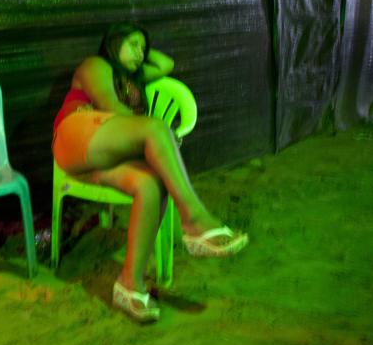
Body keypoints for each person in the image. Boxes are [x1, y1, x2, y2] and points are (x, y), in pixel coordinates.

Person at [52, 23, 248, 322]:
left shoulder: (135, 77)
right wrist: (154, 136)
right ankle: (195, 219)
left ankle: (130, 285)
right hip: (75, 135)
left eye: (143, 47)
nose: (140, 52)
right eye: (132, 44)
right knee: (157, 128)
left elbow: (166, 64)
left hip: (101, 157)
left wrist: (138, 53)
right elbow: (110, 106)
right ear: (113, 42)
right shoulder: (96, 65)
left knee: (152, 183)